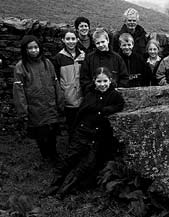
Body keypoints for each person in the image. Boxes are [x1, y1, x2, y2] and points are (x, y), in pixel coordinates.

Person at [48, 67, 125, 198]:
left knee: (86, 164)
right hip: (83, 132)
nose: (102, 85)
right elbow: (82, 114)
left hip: (97, 136)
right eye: (99, 82)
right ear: (94, 81)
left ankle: (63, 191)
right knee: (70, 157)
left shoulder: (115, 95)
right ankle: (54, 185)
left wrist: (106, 109)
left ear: (110, 80)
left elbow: (119, 105)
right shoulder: (90, 95)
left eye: (105, 81)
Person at [13, 35, 63, 163]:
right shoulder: (21, 67)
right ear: (25, 50)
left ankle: (54, 154)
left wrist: (60, 100)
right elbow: (19, 91)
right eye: (30, 48)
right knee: (40, 134)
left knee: (52, 132)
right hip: (35, 106)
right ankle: (45, 154)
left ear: (40, 48)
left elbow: (55, 82)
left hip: (50, 104)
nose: (34, 50)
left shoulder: (47, 63)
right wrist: (23, 110)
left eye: (36, 47)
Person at [80, 28, 129, 95]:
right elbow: (84, 78)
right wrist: (91, 90)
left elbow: (124, 77)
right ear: (94, 44)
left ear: (108, 40)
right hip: (95, 94)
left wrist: (118, 89)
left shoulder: (117, 58)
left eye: (103, 42)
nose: (101, 45)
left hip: (113, 94)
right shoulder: (89, 58)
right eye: (98, 43)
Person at [53, 29, 85, 131]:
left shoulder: (83, 55)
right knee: (71, 125)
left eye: (73, 39)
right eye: (68, 39)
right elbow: (56, 78)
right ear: (63, 40)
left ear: (77, 39)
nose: (71, 41)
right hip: (68, 97)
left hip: (82, 96)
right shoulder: (59, 57)